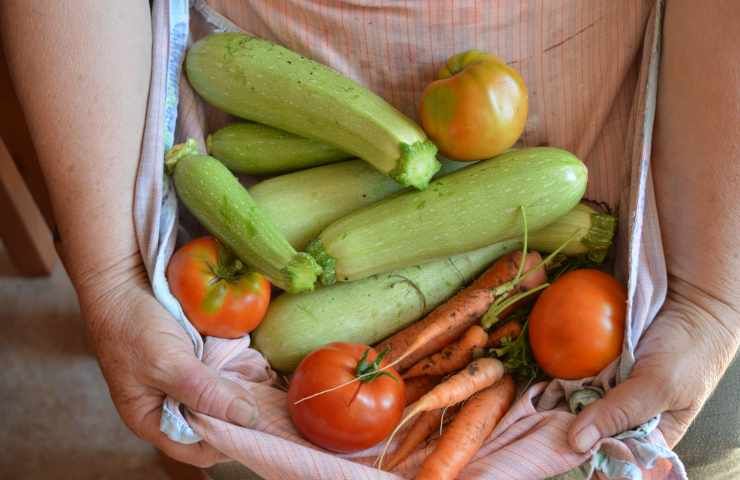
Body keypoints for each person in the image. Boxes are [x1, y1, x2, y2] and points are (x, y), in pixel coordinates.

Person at [1, 0, 737, 478]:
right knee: (217, 447)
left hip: (661, 163)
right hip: (269, 109)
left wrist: (711, 299)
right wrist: (104, 276)